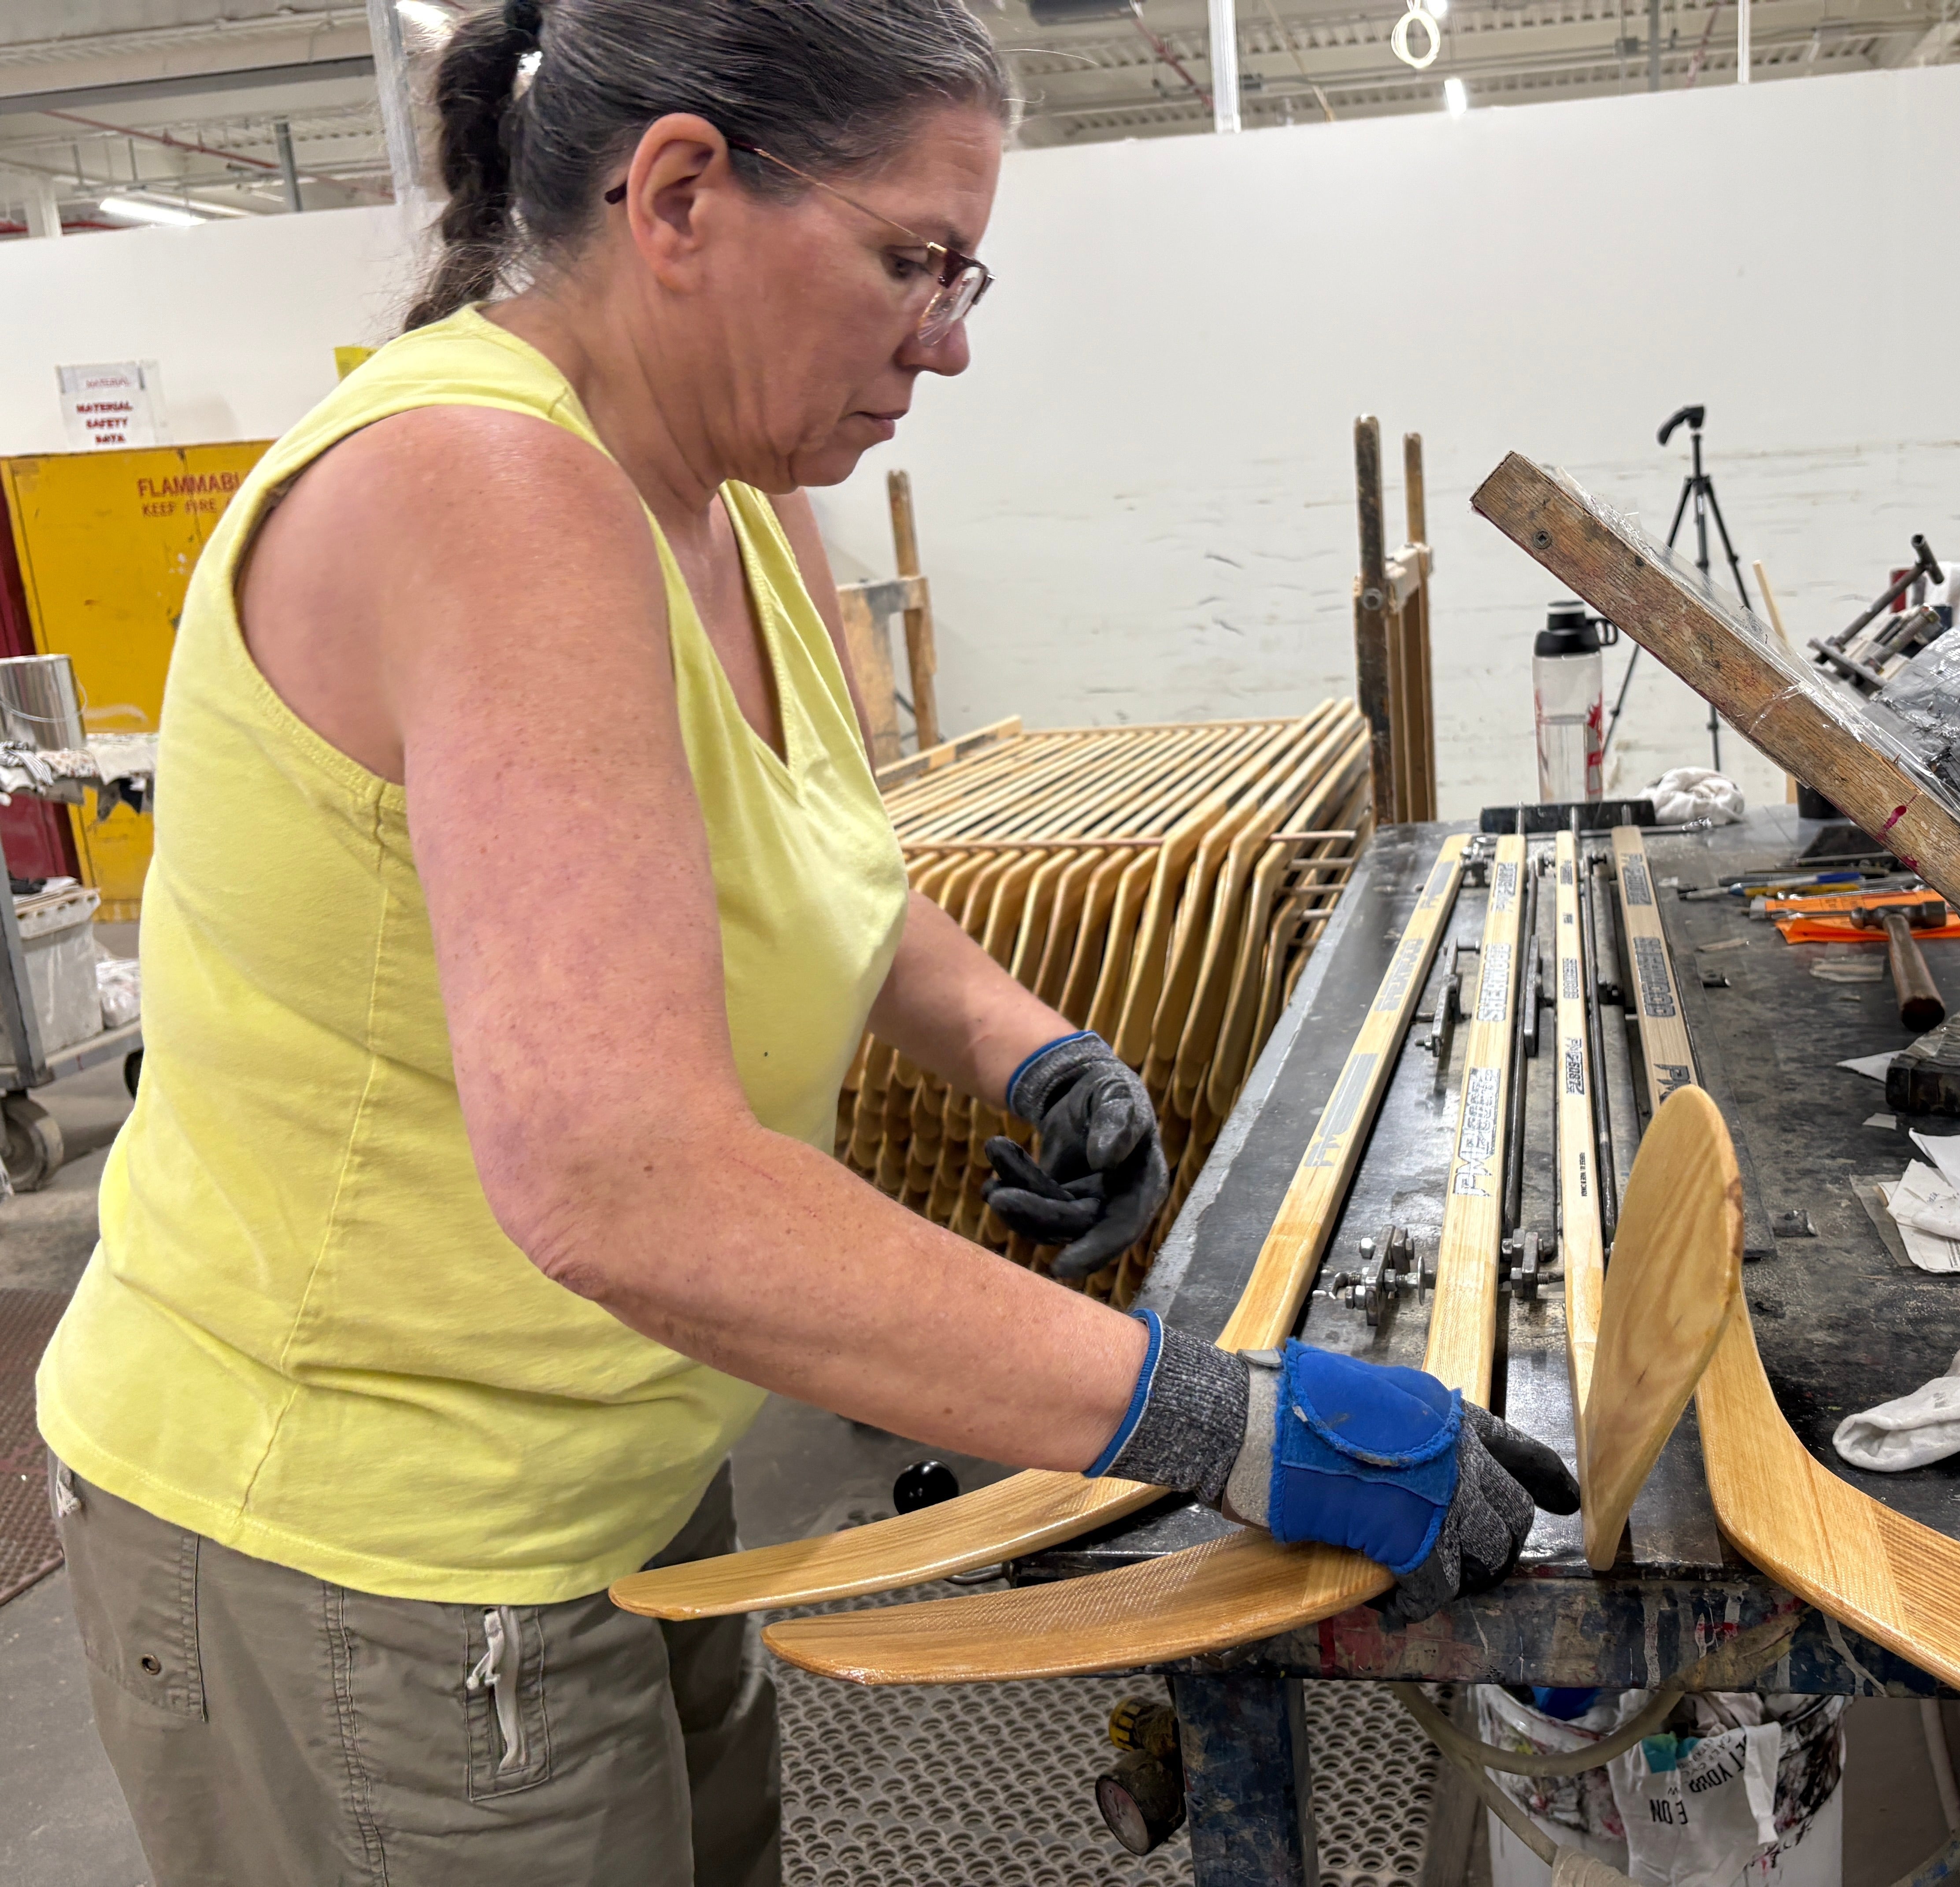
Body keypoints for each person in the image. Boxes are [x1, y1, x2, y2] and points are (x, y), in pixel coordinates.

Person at [34, 2, 1577, 1881]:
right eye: (910, 261)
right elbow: (626, 1179)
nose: (947, 336)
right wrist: (1210, 1417)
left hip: (611, 1461)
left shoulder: (737, 506)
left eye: (967, 270)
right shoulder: (489, 491)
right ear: (680, 194)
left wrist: (1029, 1045)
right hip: (372, 1542)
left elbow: (823, 865)